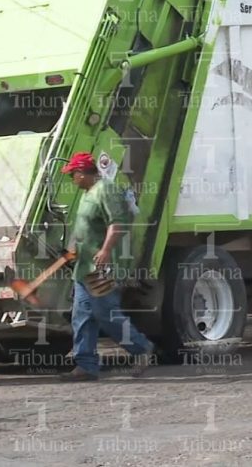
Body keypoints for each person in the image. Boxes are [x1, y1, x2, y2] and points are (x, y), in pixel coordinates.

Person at [59, 151, 154, 381]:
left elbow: (117, 222)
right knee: (81, 316)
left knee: (105, 313)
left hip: (101, 267)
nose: (72, 178)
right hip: (84, 268)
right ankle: (86, 365)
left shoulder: (106, 190)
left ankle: (142, 348)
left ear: (83, 173)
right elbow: (85, 227)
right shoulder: (87, 193)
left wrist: (106, 250)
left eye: (74, 174)